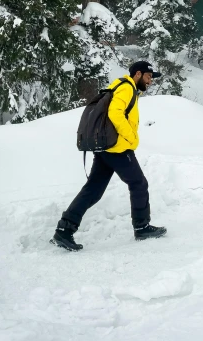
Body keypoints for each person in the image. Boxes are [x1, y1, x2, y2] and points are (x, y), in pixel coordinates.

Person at [51, 61, 167, 251]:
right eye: (148, 77)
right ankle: (142, 227)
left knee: (93, 190)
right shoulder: (127, 88)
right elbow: (115, 112)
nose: (150, 81)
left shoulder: (118, 85)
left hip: (105, 148)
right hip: (118, 148)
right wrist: (130, 136)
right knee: (139, 184)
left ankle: (64, 230)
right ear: (138, 74)